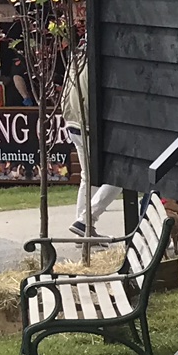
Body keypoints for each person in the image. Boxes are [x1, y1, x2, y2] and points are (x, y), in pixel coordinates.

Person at [59, 47, 120, 237]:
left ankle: (83, 230)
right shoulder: (99, 53)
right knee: (120, 174)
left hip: (73, 119)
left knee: (89, 177)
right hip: (88, 122)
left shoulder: (78, 54)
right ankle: (86, 220)